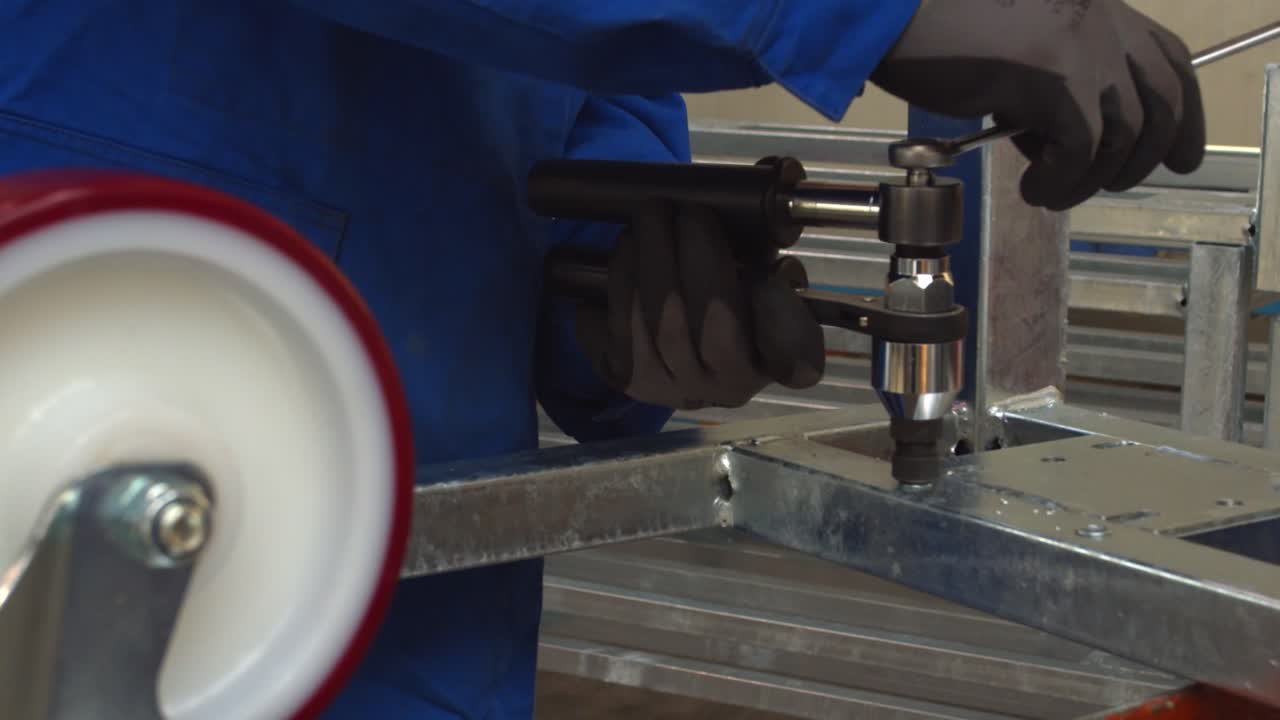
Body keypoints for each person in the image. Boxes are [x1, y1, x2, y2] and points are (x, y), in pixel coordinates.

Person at [0, 0, 1204, 716]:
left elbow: (583, 126)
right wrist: (872, 9)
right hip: (63, 476)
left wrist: (623, 319)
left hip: (404, 620)